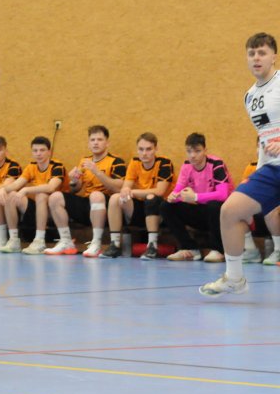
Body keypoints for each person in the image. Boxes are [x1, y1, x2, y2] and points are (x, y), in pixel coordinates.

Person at [200, 33, 280, 296]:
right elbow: (265, 137)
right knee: (230, 211)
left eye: (262, 52)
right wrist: (258, 175)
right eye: (251, 53)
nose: (256, 58)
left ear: (274, 56)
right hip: (272, 169)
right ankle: (235, 279)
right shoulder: (249, 96)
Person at [46, 125, 126, 256]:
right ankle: (66, 240)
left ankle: (96, 242)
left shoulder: (116, 161)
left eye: (100, 139)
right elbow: (75, 190)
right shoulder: (84, 161)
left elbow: (118, 188)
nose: (96, 143)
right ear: (88, 143)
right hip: (88, 203)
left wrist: (97, 172)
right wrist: (73, 181)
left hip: (107, 207)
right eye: (92, 140)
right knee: (55, 197)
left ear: (107, 143)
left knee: (96, 195)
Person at [160, 132, 233, 262]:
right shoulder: (186, 166)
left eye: (197, 151)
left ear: (205, 150)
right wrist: (173, 197)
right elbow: (178, 190)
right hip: (202, 212)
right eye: (189, 151)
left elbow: (223, 195)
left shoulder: (217, 164)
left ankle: (218, 250)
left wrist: (195, 197)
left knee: (214, 205)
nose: (192, 155)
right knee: (166, 206)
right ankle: (189, 248)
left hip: (221, 215)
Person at [102, 132, 174, 259]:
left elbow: (160, 191)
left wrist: (132, 192)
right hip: (140, 210)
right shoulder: (134, 162)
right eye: (141, 149)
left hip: (161, 212)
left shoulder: (164, 163)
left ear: (156, 149)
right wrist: (125, 191)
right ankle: (115, 244)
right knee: (115, 198)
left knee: (151, 198)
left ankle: (152, 246)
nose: (144, 153)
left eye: (148, 149)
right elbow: (126, 187)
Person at [1, 136, 66, 254]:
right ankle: (14, 240)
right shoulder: (31, 167)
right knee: (11, 196)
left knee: (41, 195)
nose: (38, 154)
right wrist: (3, 189)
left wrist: (26, 190)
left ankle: (39, 241)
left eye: (42, 150)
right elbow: (16, 184)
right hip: (38, 208)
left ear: (49, 152)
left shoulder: (57, 166)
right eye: (35, 151)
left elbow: (51, 187)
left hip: (55, 209)